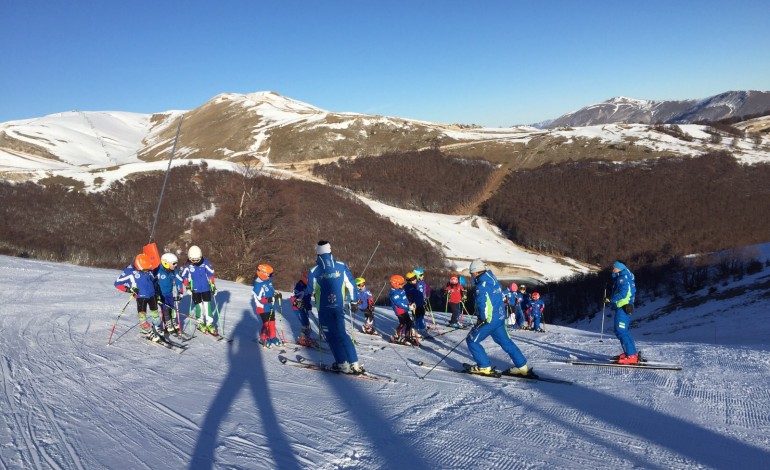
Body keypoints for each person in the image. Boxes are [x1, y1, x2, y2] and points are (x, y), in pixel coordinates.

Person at [305, 241, 364, 374]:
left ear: (318, 252)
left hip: (324, 309)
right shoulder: (341, 266)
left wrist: (305, 303)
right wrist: (354, 301)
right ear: (330, 251)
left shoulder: (314, 271)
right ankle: (354, 363)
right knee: (342, 334)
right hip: (338, 307)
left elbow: (309, 290)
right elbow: (351, 285)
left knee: (331, 336)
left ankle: (342, 364)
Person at [465, 259, 529, 376]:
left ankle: (484, 366)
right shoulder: (493, 279)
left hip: (490, 320)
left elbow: (483, 305)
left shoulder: (481, 286)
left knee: (472, 340)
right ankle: (522, 366)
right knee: (506, 341)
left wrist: (482, 320)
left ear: (476, 272)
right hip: (500, 318)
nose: (471, 276)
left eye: (471, 273)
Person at [114, 253, 164, 341]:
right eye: (145, 269)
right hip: (141, 297)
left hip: (152, 295)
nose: (147, 270)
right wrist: (129, 289)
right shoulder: (130, 272)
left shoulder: (148, 270)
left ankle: (157, 327)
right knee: (142, 315)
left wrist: (157, 293)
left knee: (155, 313)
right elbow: (117, 283)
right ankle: (146, 329)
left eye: (148, 269)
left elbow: (152, 281)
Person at [180, 245, 218, 336]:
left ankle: (209, 323)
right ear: (190, 258)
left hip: (205, 288)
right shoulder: (188, 266)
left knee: (208, 306)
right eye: (194, 260)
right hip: (195, 290)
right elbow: (184, 277)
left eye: (198, 260)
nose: (196, 262)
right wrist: (187, 286)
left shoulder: (205, 262)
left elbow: (210, 274)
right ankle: (200, 322)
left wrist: (213, 285)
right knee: (199, 307)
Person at [606, 261, 638, 364]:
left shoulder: (622, 278)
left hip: (623, 307)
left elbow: (623, 293)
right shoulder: (624, 276)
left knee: (620, 331)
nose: (613, 269)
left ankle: (631, 356)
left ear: (620, 268)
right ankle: (631, 353)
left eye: (614, 267)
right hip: (625, 307)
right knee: (623, 331)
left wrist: (611, 300)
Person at [155, 252, 184, 334]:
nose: (175, 266)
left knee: (172, 307)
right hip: (161, 294)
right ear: (165, 263)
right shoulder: (158, 271)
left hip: (170, 293)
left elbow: (179, 280)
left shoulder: (174, 271)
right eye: (173, 264)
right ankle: (168, 323)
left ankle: (173, 321)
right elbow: (153, 282)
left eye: (176, 264)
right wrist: (156, 295)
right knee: (165, 308)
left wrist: (180, 292)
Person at [254, 264, 281, 348]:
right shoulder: (257, 284)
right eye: (270, 274)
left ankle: (272, 337)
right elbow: (259, 298)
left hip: (270, 306)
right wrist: (268, 299)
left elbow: (271, 290)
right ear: (263, 274)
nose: (271, 276)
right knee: (266, 324)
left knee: (272, 323)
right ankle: (263, 338)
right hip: (262, 307)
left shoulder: (268, 281)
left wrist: (276, 294)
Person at [388, 274, 419, 346]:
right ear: (395, 284)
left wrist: (410, 303)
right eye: (401, 284)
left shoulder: (400, 289)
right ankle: (397, 336)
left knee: (409, 323)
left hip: (404, 310)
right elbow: (399, 304)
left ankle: (407, 336)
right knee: (403, 323)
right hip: (400, 311)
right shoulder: (394, 293)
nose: (403, 285)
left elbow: (404, 298)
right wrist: (408, 307)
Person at [291, 271, 317, 347]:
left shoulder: (307, 286)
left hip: (304, 306)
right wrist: (303, 296)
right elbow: (298, 294)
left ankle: (307, 337)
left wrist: (308, 305)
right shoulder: (300, 284)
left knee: (307, 323)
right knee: (304, 323)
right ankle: (302, 338)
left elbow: (307, 297)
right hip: (298, 306)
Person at [404, 271, 427, 337]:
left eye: (415, 279)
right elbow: (409, 296)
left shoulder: (414, 286)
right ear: (410, 280)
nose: (416, 280)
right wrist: (410, 302)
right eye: (414, 279)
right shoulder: (409, 287)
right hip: (415, 305)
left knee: (421, 315)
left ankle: (421, 329)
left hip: (420, 304)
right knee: (417, 317)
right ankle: (416, 330)